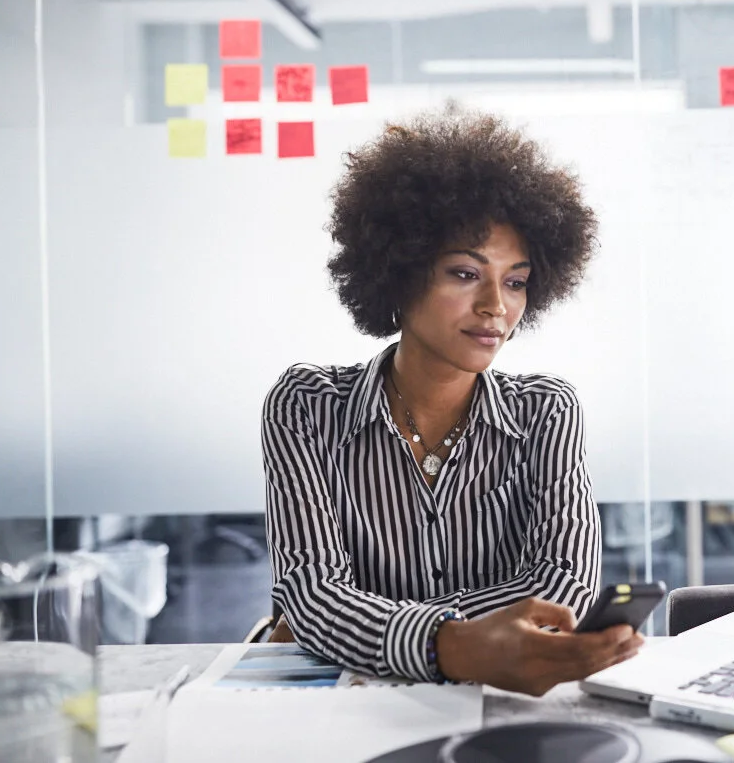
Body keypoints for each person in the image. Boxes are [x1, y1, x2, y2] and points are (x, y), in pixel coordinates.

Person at [261, 109, 641, 696]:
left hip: (503, 705)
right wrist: (460, 643)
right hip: (350, 712)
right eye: (465, 273)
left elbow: (564, 585)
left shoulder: (546, 411)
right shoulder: (307, 406)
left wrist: (365, 623)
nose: (496, 306)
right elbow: (311, 591)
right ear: (398, 273)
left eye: (516, 281)